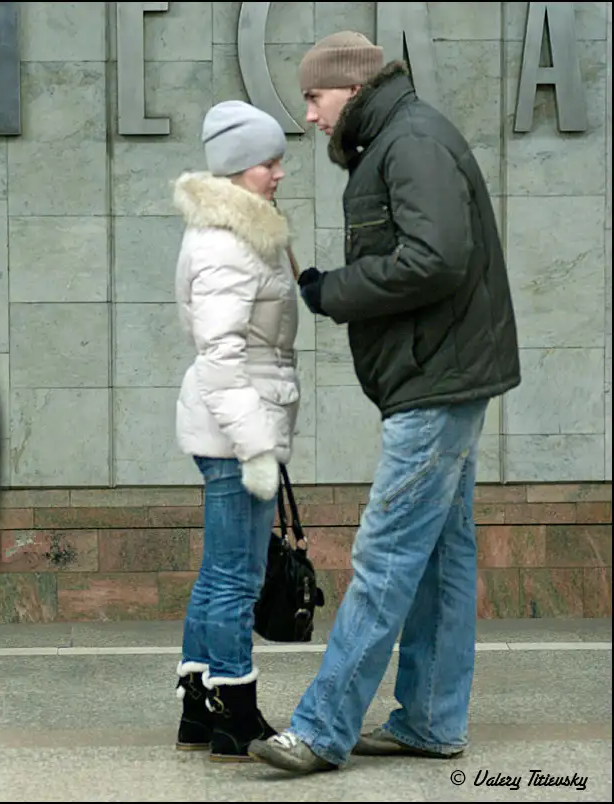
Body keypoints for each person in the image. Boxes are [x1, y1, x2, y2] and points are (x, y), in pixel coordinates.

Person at [248, 32, 521, 774]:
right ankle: (430, 720)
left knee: (387, 552)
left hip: (435, 381)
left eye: (314, 97)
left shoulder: (412, 143)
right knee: (439, 556)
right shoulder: (397, 139)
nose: (309, 115)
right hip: (444, 375)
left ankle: (322, 728)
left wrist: (333, 291)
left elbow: (436, 258)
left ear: (352, 86)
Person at [171, 100, 301, 762]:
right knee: (237, 577)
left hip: (234, 423)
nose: (279, 172)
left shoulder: (242, 231)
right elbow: (221, 357)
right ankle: (235, 712)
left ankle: (198, 706)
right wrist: (256, 446)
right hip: (234, 433)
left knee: (222, 571)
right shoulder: (228, 242)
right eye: (267, 162)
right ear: (236, 166)